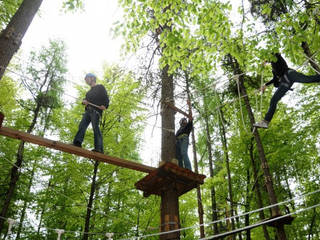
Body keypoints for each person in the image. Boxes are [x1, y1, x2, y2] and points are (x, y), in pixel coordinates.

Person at [254, 53, 320, 129]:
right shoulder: (274, 70)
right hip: (285, 83)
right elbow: (275, 79)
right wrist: (265, 85)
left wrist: (266, 60)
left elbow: (276, 54)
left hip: (290, 74)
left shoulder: (277, 59)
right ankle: (265, 122)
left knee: (308, 79)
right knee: (273, 100)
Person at [73, 73, 109, 153]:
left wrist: (105, 105)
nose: (86, 81)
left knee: (95, 128)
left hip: (96, 111)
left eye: (87, 79)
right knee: (82, 125)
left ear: (92, 78)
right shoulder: (88, 93)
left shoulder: (100, 87)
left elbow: (106, 97)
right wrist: (84, 101)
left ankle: (99, 149)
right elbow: (85, 100)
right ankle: (77, 143)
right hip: (88, 111)